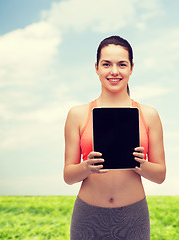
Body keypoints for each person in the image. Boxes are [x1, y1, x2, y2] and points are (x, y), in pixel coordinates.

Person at [64, 36, 166, 240]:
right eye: (106, 64)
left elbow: (160, 175)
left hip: (133, 216)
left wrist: (141, 164)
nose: (114, 71)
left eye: (122, 64)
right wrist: (87, 167)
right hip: (88, 216)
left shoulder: (149, 114)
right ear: (96, 68)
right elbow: (68, 175)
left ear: (131, 68)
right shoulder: (78, 114)